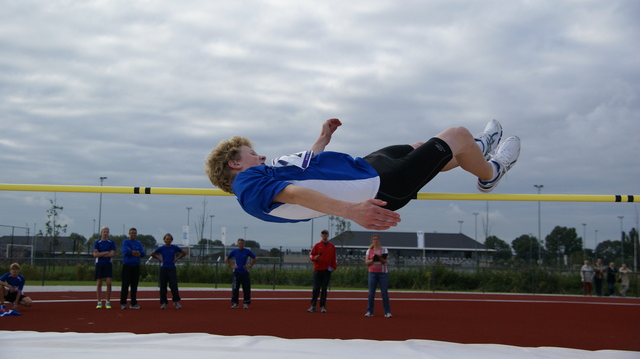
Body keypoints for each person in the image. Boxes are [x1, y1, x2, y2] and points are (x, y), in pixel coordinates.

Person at [205, 118, 520, 231]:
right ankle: (489, 171)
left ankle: (475, 149)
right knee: (456, 135)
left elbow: (305, 166)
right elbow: (293, 194)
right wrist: (350, 212)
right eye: (251, 154)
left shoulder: (266, 171)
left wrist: (323, 139)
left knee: (425, 149)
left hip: (368, 166)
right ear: (235, 164)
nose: (258, 155)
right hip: (378, 187)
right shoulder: (247, 183)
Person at [150, 233, 187, 309]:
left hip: (171, 268)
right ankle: (164, 302)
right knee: (163, 286)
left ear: (171, 240)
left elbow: (184, 252)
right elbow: (152, 254)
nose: (168, 240)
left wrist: (177, 259)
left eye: (169, 239)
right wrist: (159, 259)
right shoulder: (161, 248)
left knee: (173, 286)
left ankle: (176, 301)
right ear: (164, 240)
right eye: (167, 239)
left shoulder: (174, 247)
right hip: (163, 268)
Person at [307, 230, 337, 313]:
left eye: (326, 234)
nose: (324, 235)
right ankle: (313, 305)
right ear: (321, 235)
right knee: (316, 288)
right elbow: (311, 255)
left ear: (328, 235)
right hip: (318, 270)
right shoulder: (317, 245)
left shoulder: (332, 246)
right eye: (323, 234)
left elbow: (334, 259)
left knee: (324, 289)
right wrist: (314, 258)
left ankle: (323, 306)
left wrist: (333, 268)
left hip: (327, 271)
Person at [364, 234, 392, 318]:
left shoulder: (384, 250)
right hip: (372, 272)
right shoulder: (369, 251)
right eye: (374, 239)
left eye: (377, 239)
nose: (375, 241)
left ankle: (387, 312)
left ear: (379, 240)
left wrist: (379, 258)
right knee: (371, 293)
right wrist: (373, 259)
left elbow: (384, 261)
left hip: (383, 273)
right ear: (372, 241)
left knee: (384, 293)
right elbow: (367, 262)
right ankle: (370, 311)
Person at [226, 238, 258, 309]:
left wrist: (249, 266)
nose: (241, 244)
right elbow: (227, 258)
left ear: (244, 244)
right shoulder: (234, 251)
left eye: (242, 243)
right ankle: (235, 303)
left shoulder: (247, 251)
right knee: (235, 289)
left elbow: (255, 258)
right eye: (239, 243)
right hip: (236, 273)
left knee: (246, 289)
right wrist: (231, 265)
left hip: (245, 273)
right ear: (237, 244)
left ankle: (246, 303)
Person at [120, 227, 145, 309]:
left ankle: (133, 303)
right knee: (125, 285)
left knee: (134, 286)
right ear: (129, 234)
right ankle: (123, 303)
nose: (133, 234)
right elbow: (125, 251)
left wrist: (132, 253)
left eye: (135, 233)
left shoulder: (138, 243)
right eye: (132, 233)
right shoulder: (126, 242)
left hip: (136, 266)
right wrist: (133, 252)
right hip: (127, 266)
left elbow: (142, 253)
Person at [93, 226, 116, 309]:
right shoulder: (97, 242)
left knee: (109, 282)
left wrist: (101, 253)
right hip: (99, 264)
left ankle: (108, 301)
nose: (105, 233)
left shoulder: (111, 242)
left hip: (108, 264)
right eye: (104, 232)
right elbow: (95, 255)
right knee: (99, 283)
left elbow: (112, 254)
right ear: (101, 233)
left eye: (107, 232)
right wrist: (106, 252)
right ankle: (99, 301)